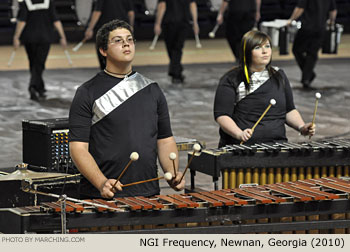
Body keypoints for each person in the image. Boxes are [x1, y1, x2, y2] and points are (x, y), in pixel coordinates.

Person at [69, 19, 184, 199]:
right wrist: (101, 182)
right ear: (103, 50)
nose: (126, 44)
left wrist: (172, 171)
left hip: (148, 193)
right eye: (117, 40)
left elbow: (165, 140)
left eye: (129, 39)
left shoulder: (152, 89)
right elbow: (78, 148)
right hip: (103, 195)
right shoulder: (87, 92)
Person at [213, 30, 315, 147]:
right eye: (257, 47)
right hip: (242, 147)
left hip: (276, 147)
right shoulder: (232, 78)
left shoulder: (279, 75)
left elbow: (289, 110)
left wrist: (302, 127)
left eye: (267, 46)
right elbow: (222, 115)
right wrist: (239, 134)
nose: (265, 51)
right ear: (247, 52)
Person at [12, 0, 67, 101]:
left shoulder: (26, 3)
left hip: (29, 38)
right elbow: (56, 20)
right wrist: (62, 36)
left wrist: (16, 37)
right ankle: (33, 86)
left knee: (34, 63)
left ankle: (39, 87)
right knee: (39, 63)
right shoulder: (48, 3)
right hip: (44, 38)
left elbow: (22, 21)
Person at [287, 0, 337, 88]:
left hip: (306, 27)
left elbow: (300, 8)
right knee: (312, 53)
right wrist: (331, 22)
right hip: (321, 28)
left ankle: (307, 76)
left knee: (296, 50)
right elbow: (333, 11)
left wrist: (291, 19)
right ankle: (307, 76)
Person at [154, 0, 199, 84]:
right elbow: (192, 5)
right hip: (184, 22)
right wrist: (195, 23)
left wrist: (158, 23)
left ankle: (176, 73)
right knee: (177, 48)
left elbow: (162, 6)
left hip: (169, 22)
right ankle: (177, 71)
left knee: (172, 48)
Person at [84, 0, 135, 70]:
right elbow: (131, 12)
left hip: (106, 30)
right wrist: (130, 26)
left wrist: (90, 28)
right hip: (122, 29)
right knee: (122, 55)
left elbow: (97, 12)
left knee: (105, 57)